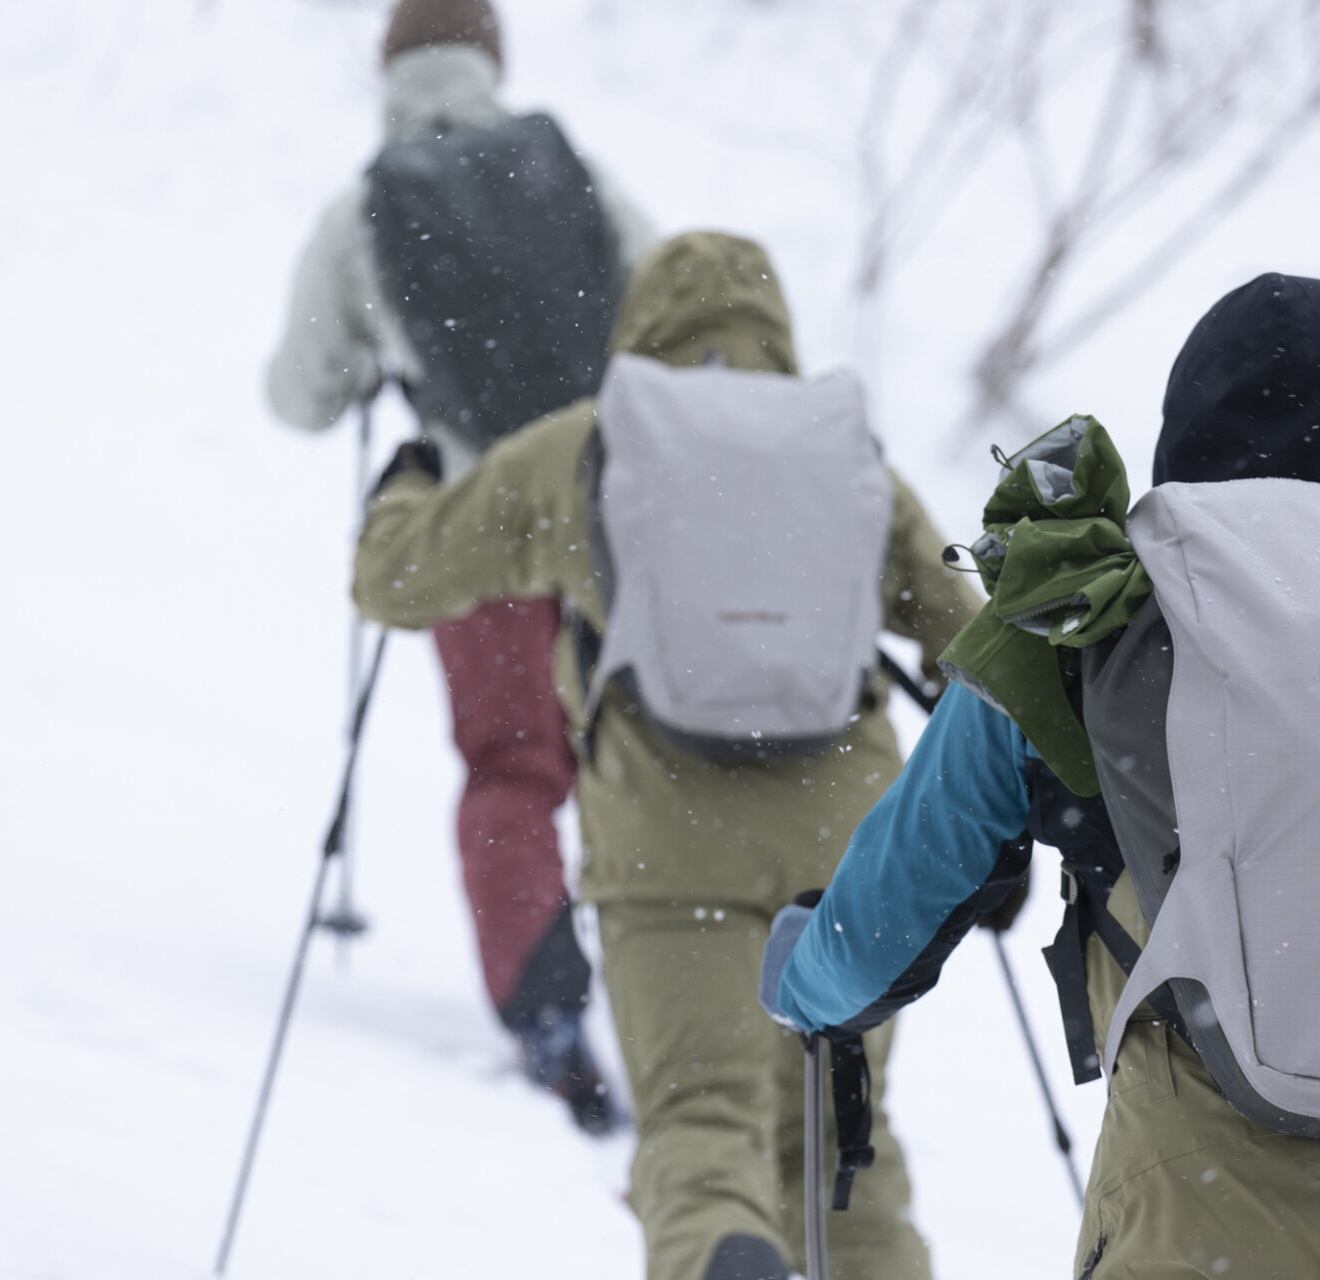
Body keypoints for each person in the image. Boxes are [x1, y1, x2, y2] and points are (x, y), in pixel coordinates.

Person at [761, 272, 1320, 1277]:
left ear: (1183, 427)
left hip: (1193, 1216)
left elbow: (885, 920)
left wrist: (805, 979)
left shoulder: (1092, 623)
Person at [352, 231, 980, 1280]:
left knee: (702, 1123)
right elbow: (973, 640)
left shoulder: (593, 444)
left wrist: (406, 482)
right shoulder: (848, 454)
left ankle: (726, 1258)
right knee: (845, 1149)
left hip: (669, 844)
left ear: (643, 323)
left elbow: (397, 578)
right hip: (855, 854)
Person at [264, 0, 657, 1132]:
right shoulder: (563, 165)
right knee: (630, 746)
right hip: (603, 501)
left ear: (393, 70)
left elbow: (299, 393)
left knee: (513, 756)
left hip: (476, 520)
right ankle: (672, 985)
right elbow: (668, 295)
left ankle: (545, 1010)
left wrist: (378, 369)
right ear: (491, 60)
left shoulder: (366, 206)